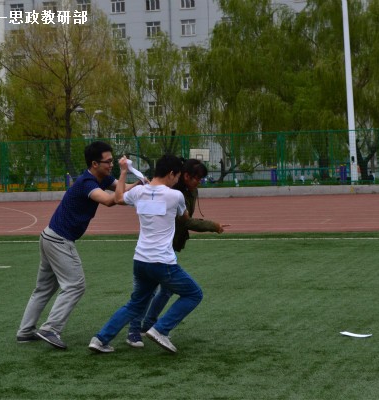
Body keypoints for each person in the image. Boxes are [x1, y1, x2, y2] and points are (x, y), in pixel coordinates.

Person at [16, 141, 140, 350]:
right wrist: (123, 172)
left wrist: (140, 183)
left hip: (49, 236)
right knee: (75, 285)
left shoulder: (102, 177)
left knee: (44, 288)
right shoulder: (86, 182)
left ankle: (25, 331)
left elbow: (123, 189)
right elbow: (111, 200)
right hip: (59, 239)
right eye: (108, 161)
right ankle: (50, 328)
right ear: (94, 164)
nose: (111, 164)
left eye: (112, 161)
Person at [88, 154, 203, 354]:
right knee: (194, 294)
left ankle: (100, 339)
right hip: (162, 261)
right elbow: (184, 216)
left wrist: (123, 172)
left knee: (135, 305)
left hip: (140, 260)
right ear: (171, 174)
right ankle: (161, 329)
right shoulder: (176, 196)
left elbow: (118, 198)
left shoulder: (139, 192)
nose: (177, 180)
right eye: (177, 177)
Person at [125, 159, 228, 348]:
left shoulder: (188, 190)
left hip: (168, 246)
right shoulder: (173, 192)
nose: (199, 182)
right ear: (185, 176)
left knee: (166, 289)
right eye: (197, 178)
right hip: (154, 249)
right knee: (147, 291)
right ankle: (134, 330)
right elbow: (185, 221)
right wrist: (213, 226)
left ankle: (148, 325)